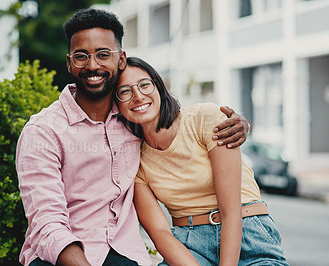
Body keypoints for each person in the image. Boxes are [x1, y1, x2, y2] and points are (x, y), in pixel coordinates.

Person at [16, 8, 250, 266]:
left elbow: (178, 121)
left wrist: (237, 123)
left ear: (121, 60)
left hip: (124, 253)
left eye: (103, 54)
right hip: (62, 257)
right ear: (69, 63)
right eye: (81, 56)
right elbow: (47, 222)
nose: (92, 65)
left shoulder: (133, 118)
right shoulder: (43, 132)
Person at [115, 56, 289, 266]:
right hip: (190, 246)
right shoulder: (135, 159)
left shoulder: (205, 117)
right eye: (125, 91)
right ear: (116, 104)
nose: (138, 96)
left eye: (144, 85)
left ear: (159, 87)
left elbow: (230, 211)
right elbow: (160, 231)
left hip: (246, 234)